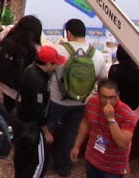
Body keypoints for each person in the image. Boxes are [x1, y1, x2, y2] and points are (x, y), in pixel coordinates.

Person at [47, 18, 110, 175]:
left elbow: (48, 70)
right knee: (70, 134)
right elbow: (103, 78)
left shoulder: (58, 50)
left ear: (68, 33)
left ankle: (44, 161)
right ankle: (63, 166)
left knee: (49, 130)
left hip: (57, 99)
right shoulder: (97, 55)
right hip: (81, 101)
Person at [13, 45, 64, 178]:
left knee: (21, 160)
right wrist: (46, 132)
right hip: (32, 127)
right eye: (55, 64)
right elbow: (38, 109)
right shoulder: (39, 81)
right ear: (48, 64)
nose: (57, 66)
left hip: (21, 121)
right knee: (39, 162)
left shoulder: (30, 69)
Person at [72, 80, 137, 178]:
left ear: (117, 95)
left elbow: (122, 143)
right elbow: (85, 123)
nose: (108, 101)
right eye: (104, 97)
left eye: (111, 97)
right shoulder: (92, 102)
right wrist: (77, 146)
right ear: (98, 95)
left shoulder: (127, 114)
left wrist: (111, 119)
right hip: (92, 159)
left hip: (113, 168)